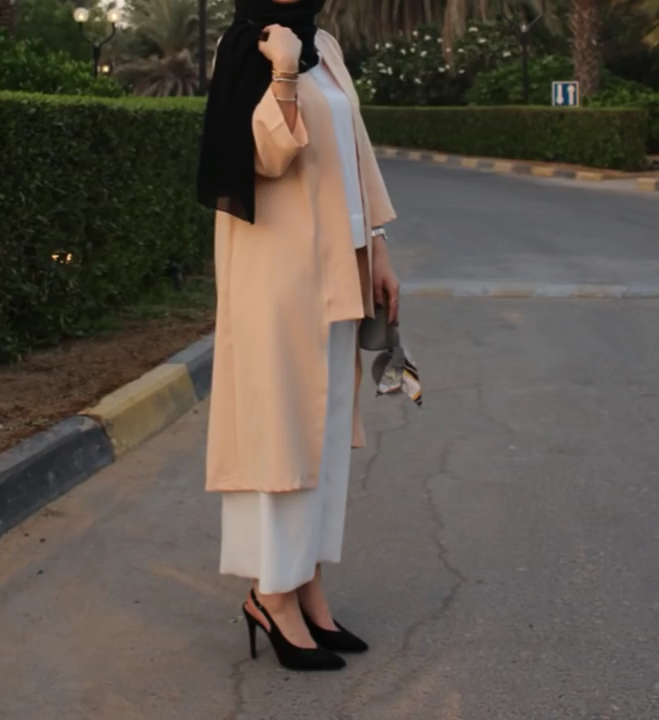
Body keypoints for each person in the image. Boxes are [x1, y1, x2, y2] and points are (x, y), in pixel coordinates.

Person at [197, 0, 399, 672]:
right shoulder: (246, 47)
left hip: (341, 264)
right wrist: (282, 73)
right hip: (277, 273)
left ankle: (308, 584)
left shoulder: (326, 45)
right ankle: (271, 594)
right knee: (281, 433)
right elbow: (262, 159)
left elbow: (355, 151)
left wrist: (378, 246)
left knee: (326, 428)